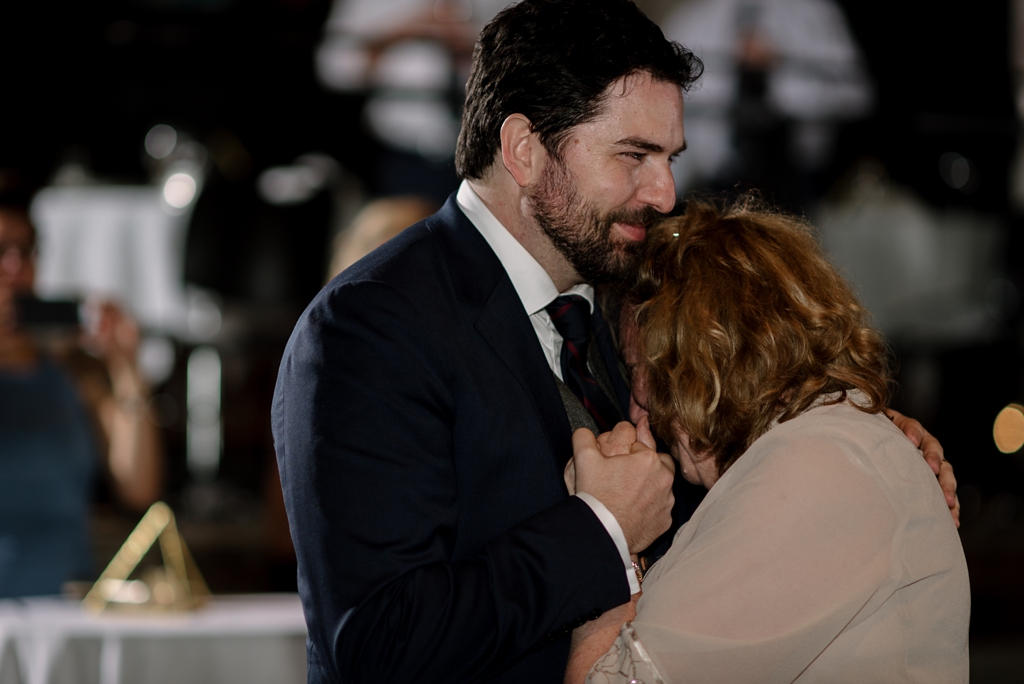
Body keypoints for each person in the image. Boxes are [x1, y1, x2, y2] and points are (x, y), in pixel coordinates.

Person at [272, 2, 955, 683]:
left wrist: (845, 435)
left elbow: (711, 496)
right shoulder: (370, 327)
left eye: (670, 158)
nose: (664, 192)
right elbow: (381, 646)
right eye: (634, 155)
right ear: (525, 150)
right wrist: (599, 528)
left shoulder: (629, 295)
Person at [565, 198, 969, 684]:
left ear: (695, 358)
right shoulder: (828, 452)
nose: (636, 406)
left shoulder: (814, 468)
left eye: (638, 368)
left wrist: (605, 533)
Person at [0, 202, 163, 597]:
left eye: (25, 251)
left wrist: (126, 368)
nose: (15, 267)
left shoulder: (74, 372)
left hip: (65, 607)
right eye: (1, 252)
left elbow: (138, 485)